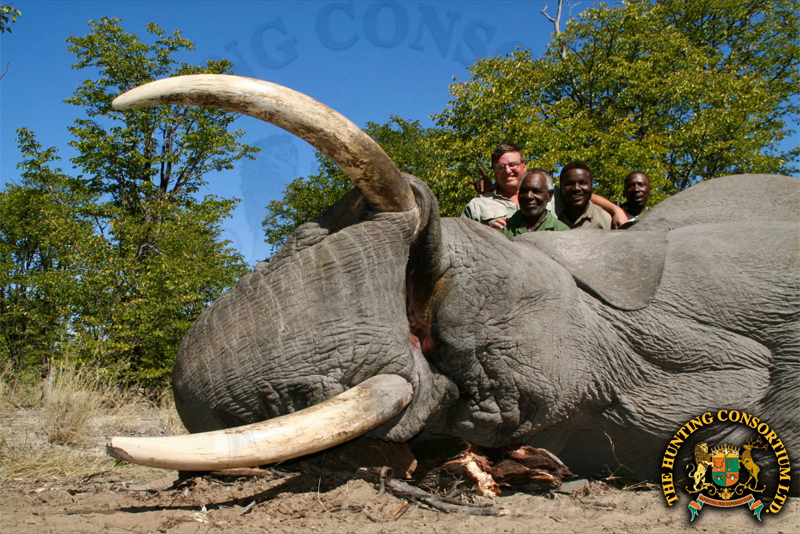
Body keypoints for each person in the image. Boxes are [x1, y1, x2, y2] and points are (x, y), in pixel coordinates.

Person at [461, 144, 526, 230]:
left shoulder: (546, 197)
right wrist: (489, 233)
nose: (507, 171)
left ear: (524, 166)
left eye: (513, 164)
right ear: (494, 171)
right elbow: (462, 239)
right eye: (501, 167)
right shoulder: (477, 205)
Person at [502, 170, 569, 237]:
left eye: (536, 191)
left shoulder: (562, 232)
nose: (528, 196)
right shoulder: (504, 230)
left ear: (549, 196)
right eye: (524, 190)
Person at [557, 161, 612, 229]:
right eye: (570, 183)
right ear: (561, 187)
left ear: (591, 186)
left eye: (583, 183)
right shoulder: (551, 215)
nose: (576, 188)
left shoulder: (605, 220)